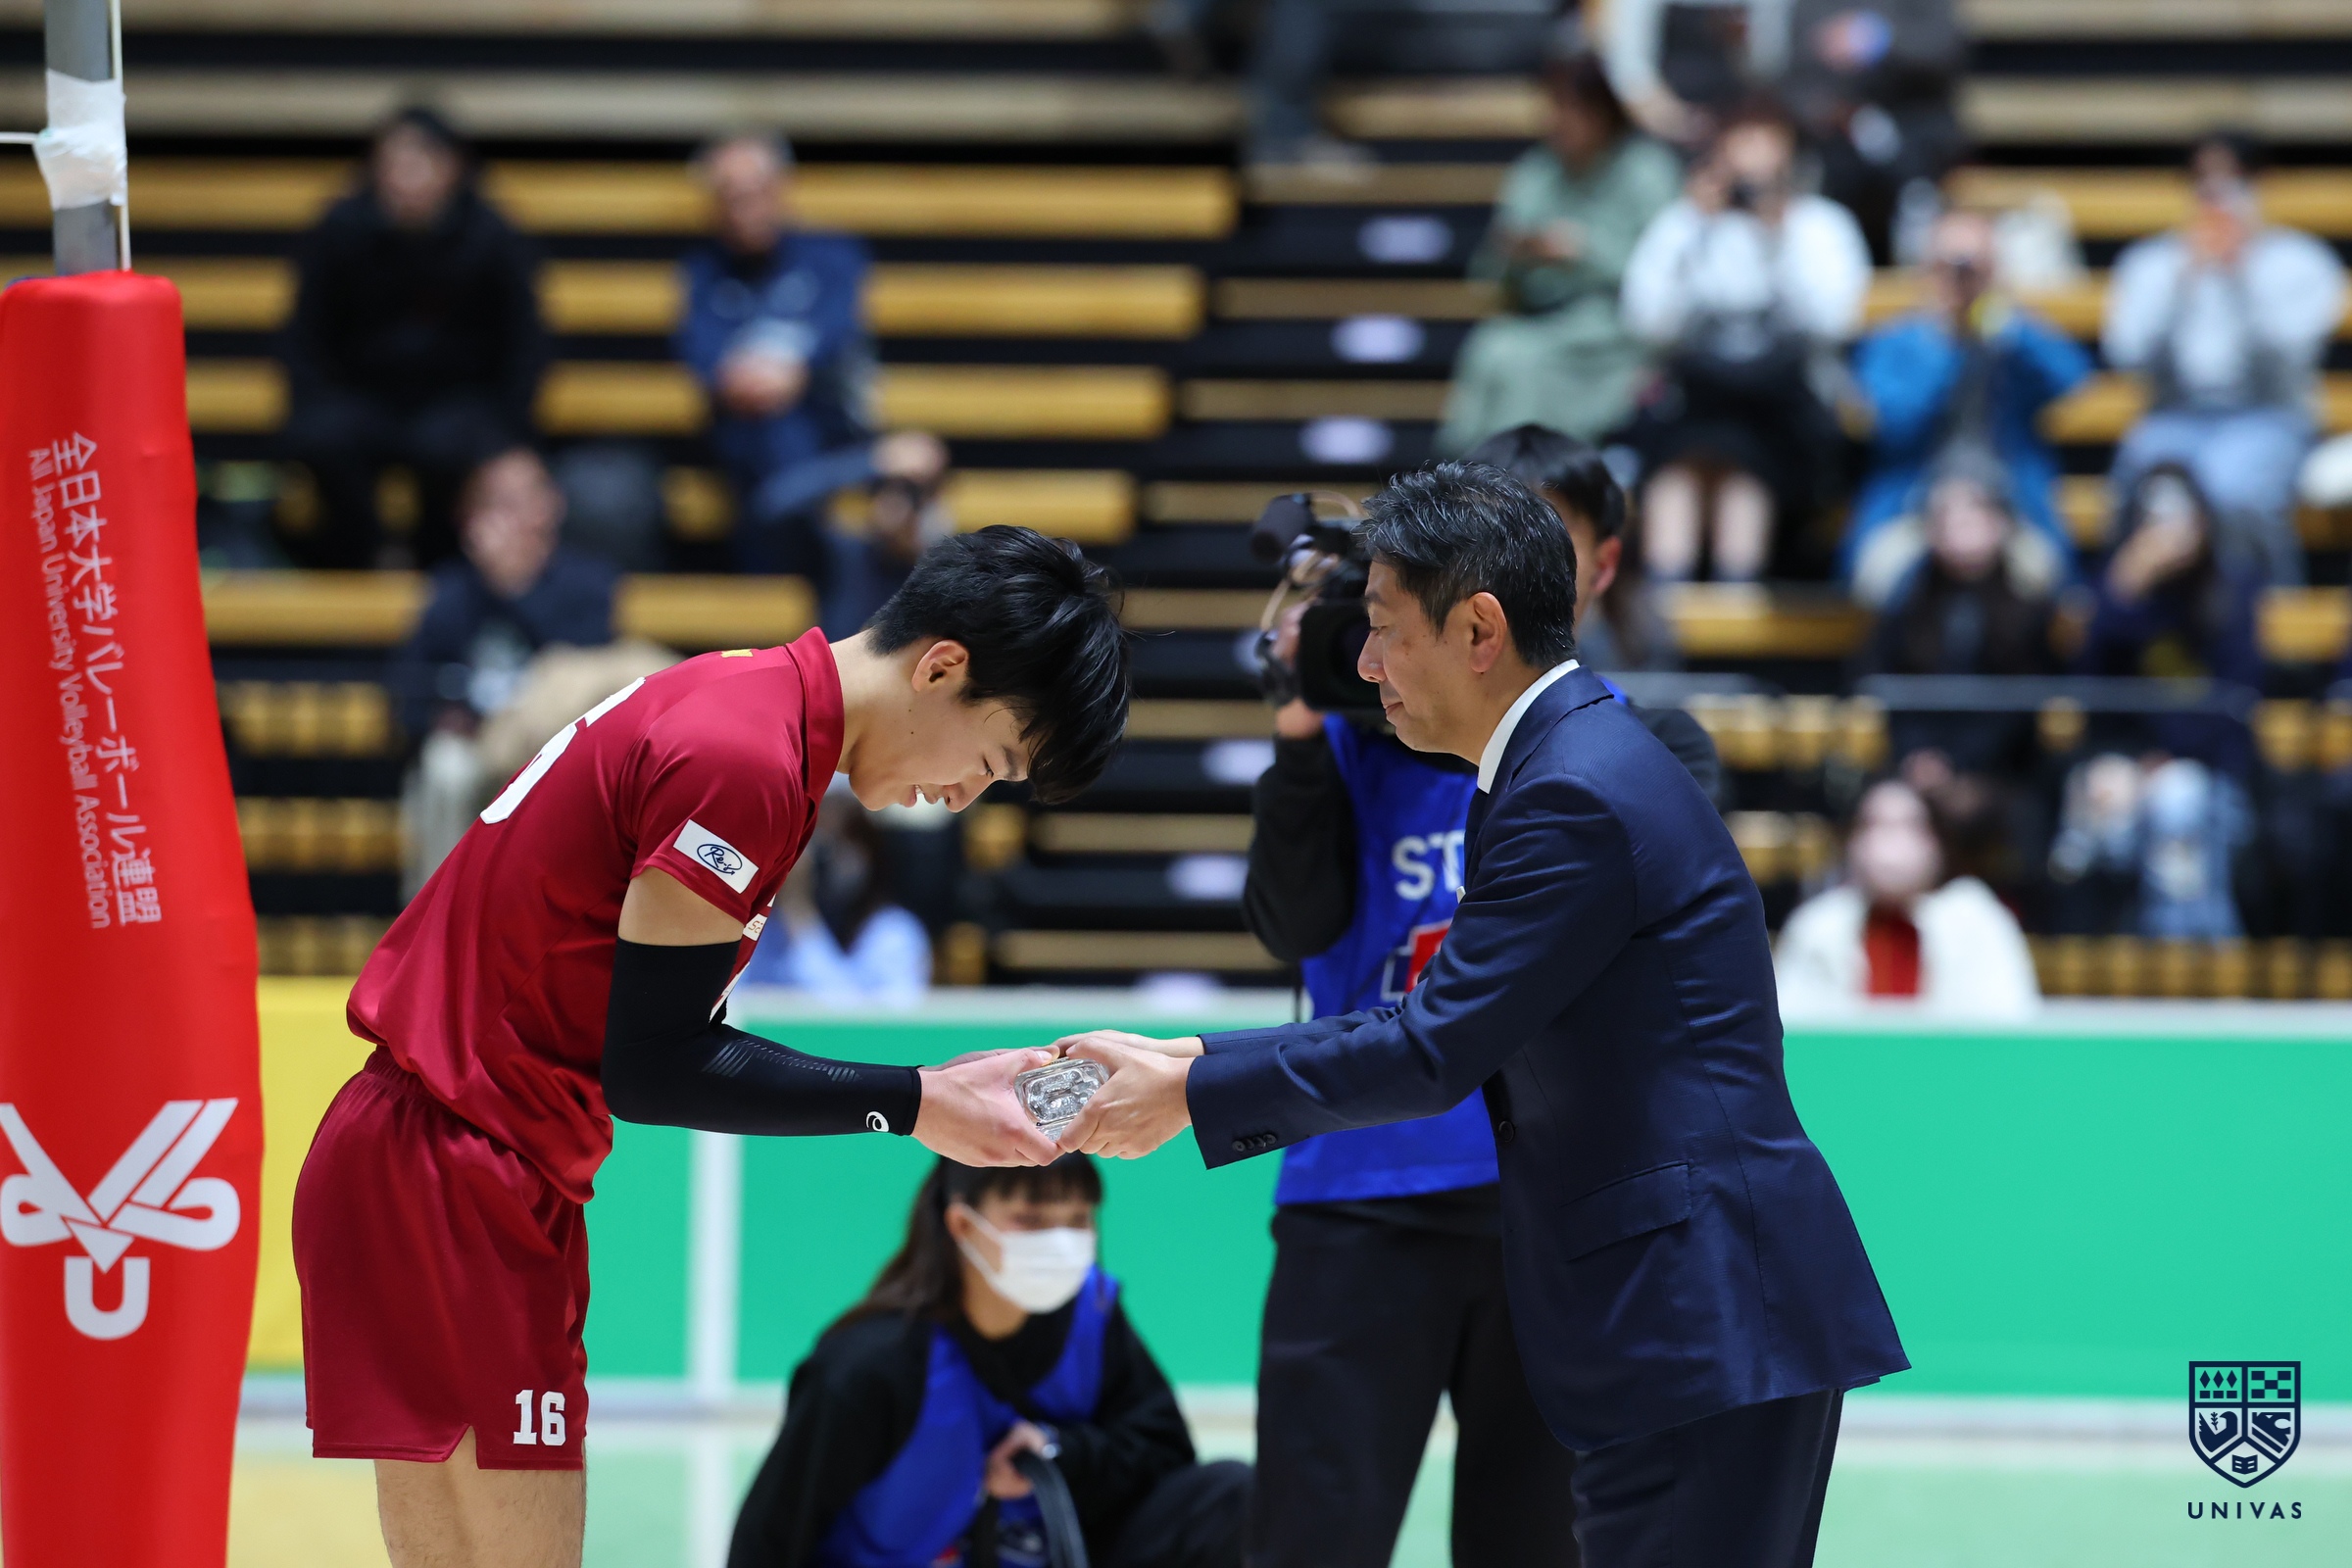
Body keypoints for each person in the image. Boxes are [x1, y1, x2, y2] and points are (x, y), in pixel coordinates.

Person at [1049, 464, 1908, 1568]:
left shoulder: (1571, 791)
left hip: (1697, 1312)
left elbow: (1432, 1045)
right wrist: (1191, 1056)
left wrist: (1190, 1088)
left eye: (1382, 628)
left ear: (1480, 630)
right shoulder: (1564, 764)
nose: (1363, 663)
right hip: (1691, 1308)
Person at [291, 526, 1131, 1568]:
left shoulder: (750, 702)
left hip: (449, 1150)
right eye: (992, 760)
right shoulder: (747, 759)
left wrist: (924, 1091)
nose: (965, 795)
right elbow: (655, 1065)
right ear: (941, 667)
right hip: (458, 1161)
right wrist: (919, 1101)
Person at [1236, 431, 1719, 1568]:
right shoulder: (1356, 737)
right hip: (1359, 1193)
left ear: (1596, 568)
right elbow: (1290, 929)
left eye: (1542, 541)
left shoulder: (1642, 748)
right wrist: (1304, 728)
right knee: (1309, 1542)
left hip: (1556, 1205)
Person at [729, 1155, 1251, 1568]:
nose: (1060, 1243)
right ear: (962, 1223)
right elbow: (771, 1535)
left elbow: (1165, 1458)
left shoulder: (1091, 1315)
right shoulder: (868, 1369)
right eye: (1031, 1219)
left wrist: (1060, 1452)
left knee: (1229, 1496)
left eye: (1078, 1220)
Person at [678, 133, 951, 588]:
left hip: (833, 435)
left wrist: (791, 374)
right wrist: (875, 463)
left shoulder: (831, 257)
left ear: (780, 188)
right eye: (730, 194)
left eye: (754, 191)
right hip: (755, 470)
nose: (743, 207)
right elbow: (707, 361)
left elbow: (834, 338)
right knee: (780, 441)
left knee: (910, 491)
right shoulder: (702, 271)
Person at [279, 107, 548, 569]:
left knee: (451, 446)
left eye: (420, 163)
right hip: (362, 399)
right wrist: (314, 400)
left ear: (452, 167)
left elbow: (524, 345)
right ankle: (363, 555)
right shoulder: (339, 230)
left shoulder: (492, 236)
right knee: (321, 436)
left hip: (459, 404)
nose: (406, 179)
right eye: (394, 164)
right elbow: (305, 337)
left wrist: (508, 428)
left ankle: (439, 561)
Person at [1621, 98, 1872, 581]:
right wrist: (1694, 229)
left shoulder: (1819, 225)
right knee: (1676, 478)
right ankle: (1666, 599)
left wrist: (1777, 238)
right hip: (1698, 401)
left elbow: (1834, 321)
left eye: (1765, 136)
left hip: (1785, 406)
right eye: (1741, 136)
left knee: (1741, 475)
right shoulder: (1685, 223)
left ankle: (1734, 590)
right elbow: (1647, 322)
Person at [2102, 131, 2345, 587]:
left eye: (2233, 179)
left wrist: (2242, 276)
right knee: (2141, 478)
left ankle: (2266, 608)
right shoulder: (2151, 263)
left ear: (2259, 184)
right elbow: (2128, 358)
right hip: (2172, 417)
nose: (2218, 194)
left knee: (2232, 489)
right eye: (2204, 181)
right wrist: (2182, 283)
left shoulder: (2303, 261)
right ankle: (2128, 612)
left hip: (2268, 416)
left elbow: (2289, 363)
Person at [389, 447, 626, 897]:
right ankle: (436, 915)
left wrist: (515, 588)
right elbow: (410, 685)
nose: (513, 517)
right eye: (498, 503)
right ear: (471, 517)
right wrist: (441, 715)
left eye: (525, 500)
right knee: (445, 767)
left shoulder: (589, 583)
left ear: (552, 505)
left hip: (555, 747)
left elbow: (584, 668)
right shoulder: (452, 590)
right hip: (477, 739)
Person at [1438, 50, 1681, 454]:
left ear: (1602, 113)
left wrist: (1583, 253)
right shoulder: (1536, 171)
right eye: (1553, 107)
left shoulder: (1647, 170)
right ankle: (1465, 473)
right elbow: (1489, 270)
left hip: (1614, 328)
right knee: (1490, 347)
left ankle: (1517, 479)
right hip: (1539, 316)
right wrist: (1516, 254)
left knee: (1521, 361)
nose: (1558, 120)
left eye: (1571, 108)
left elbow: (1668, 270)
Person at [1847, 208, 2089, 582]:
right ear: (1927, 270)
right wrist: (1944, 341)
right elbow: (1894, 423)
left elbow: (2071, 378)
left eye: (1975, 267)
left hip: (2011, 507)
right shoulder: (1893, 344)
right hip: (1911, 509)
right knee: (1882, 577)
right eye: (1949, 267)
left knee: (2040, 575)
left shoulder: (2012, 337)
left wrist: (2005, 321)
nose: (1961, 279)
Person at [1775, 777, 2039, 1019]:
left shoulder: (1978, 920)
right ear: (1852, 841)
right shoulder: (1819, 925)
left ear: (1936, 842)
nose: (1891, 840)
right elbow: (1792, 1026)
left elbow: (2008, 1023)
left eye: (1909, 825)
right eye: (1875, 825)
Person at [2076, 465, 2263, 780]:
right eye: (2156, 520)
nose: (2169, 534)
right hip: (2123, 755)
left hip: (2208, 765)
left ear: (2202, 521)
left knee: (2178, 791)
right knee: (2101, 785)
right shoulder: (2114, 587)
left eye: (2181, 516)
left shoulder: (2230, 590)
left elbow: (2236, 700)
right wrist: (2123, 591)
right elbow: (2091, 683)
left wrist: (2172, 758)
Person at [1781, 0, 1964, 262]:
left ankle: (1920, 244)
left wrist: (1878, 38)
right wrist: (1824, 109)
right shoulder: (1811, 6)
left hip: (1914, 125)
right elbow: (1795, 76)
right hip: (1837, 132)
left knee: (1913, 171)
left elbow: (1943, 48)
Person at [739, 790, 934, 1005]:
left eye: (839, 844)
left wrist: (800, 911)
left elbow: (849, 1015)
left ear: (868, 851)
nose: (825, 863)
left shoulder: (895, 933)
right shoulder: (766, 926)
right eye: (816, 847)